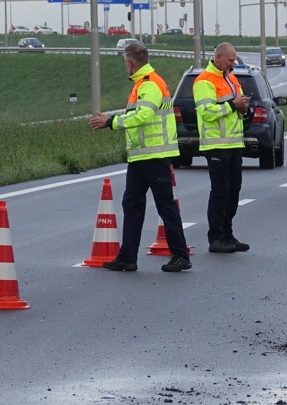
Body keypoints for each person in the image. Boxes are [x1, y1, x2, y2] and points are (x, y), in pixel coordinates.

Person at [88, 42, 189, 272]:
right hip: (141, 157)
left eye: (126, 62)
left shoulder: (150, 83)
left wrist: (111, 122)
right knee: (132, 204)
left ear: (131, 62)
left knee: (165, 206)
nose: (126, 66)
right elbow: (137, 114)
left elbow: (143, 115)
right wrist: (114, 119)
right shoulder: (141, 85)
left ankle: (181, 255)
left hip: (155, 155)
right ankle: (127, 257)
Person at [194, 42, 251, 253]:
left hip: (234, 142)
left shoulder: (232, 78)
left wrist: (245, 108)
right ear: (218, 57)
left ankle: (228, 234)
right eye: (230, 59)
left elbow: (240, 105)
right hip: (216, 144)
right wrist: (232, 105)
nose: (233, 63)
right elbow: (207, 112)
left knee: (234, 191)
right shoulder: (204, 81)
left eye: (234, 59)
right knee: (220, 192)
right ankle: (215, 237)